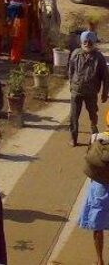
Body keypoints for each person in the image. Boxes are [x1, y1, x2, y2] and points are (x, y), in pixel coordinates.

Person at [79, 109, 109, 265]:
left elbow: (88, 157)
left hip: (99, 187)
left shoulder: (96, 137)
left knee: (98, 226)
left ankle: (99, 259)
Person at [69, 31, 109, 147]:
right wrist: (71, 85)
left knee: (93, 114)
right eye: (85, 42)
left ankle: (94, 134)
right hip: (76, 90)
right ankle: (73, 137)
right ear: (82, 42)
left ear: (94, 43)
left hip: (91, 92)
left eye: (90, 42)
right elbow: (71, 70)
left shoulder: (99, 58)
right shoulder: (75, 54)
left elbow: (105, 77)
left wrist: (104, 92)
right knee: (73, 115)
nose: (87, 44)